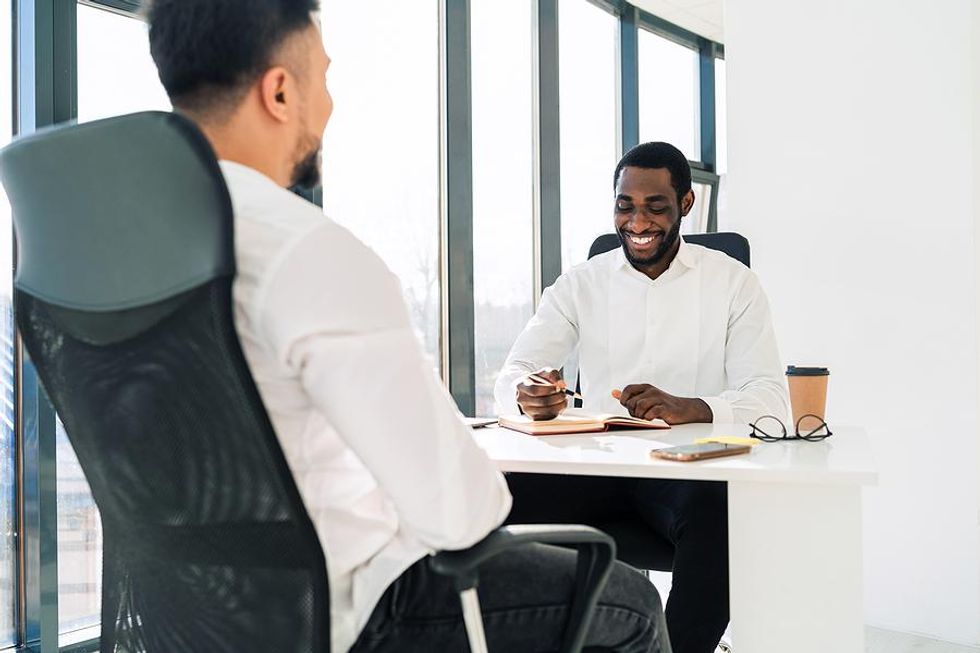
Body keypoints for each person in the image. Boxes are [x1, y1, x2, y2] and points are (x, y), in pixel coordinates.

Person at [145, 1, 670, 651]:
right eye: (325, 78)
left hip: (197, 617)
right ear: (280, 91)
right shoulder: (304, 250)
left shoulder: (133, 248)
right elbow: (462, 516)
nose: (330, 106)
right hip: (357, 613)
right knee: (633, 602)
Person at [494, 141, 790, 653]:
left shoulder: (734, 283)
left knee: (721, 517)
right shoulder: (580, 283)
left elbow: (770, 399)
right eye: (625, 206)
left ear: (686, 204)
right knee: (490, 500)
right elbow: (516, 370)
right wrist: (528, 392)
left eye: (656, 206)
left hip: (684, 476)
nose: (638, 221)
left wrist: (694, 407)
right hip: (596, 468)